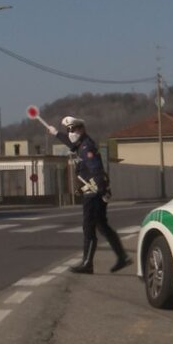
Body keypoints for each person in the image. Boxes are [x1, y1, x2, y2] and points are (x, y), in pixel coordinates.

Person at [48, 116, 132, 274]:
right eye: (68, 130)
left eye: (73, 129)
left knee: (89, 227)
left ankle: (88, 263)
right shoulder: (80, 145)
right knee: (102, 226)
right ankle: (122, 257)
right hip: (93, 191)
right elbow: (70, 143)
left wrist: (103, 190)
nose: (70, 133)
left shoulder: (86, 147)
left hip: (93, 192)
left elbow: (96, 169)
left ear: (81, 129)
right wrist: (56, 133)